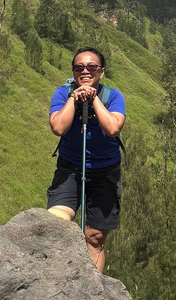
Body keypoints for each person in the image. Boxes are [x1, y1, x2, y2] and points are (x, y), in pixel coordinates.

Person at [47, 47, 126, 272]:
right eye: (79, 67)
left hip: (105, 172)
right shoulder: (63, 93)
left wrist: (94, 99)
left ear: (101, 71)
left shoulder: (113, 96)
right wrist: (74, 98)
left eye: (92, 67)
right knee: (56, 223)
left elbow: (112, 128)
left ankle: (92, 293)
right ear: (73, 71)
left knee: (95, 237)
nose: (85, 71)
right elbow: (58, 127)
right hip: (70, 168)